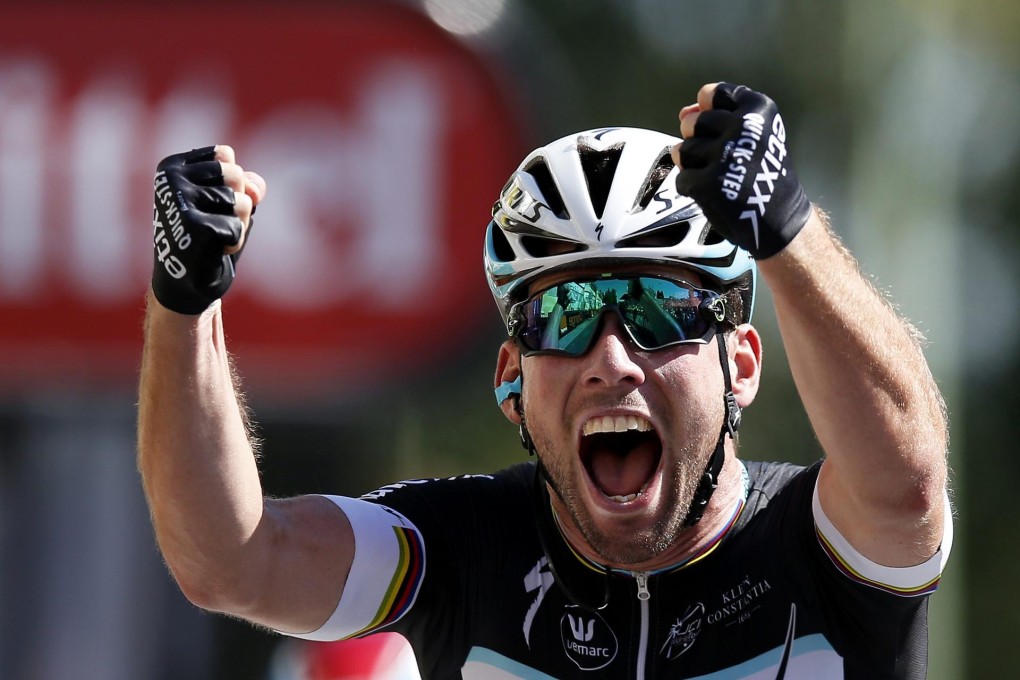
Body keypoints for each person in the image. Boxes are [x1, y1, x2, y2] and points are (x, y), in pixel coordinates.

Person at [138, 82, 952, 679]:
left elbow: (907, 482)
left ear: (740, 366)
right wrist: (183, 305)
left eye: (659, 311)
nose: (611, 359)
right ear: (511, 382)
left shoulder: (819, 550)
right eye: (563, 316)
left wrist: (788, 231)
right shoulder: (461, 552)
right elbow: (230, 559)